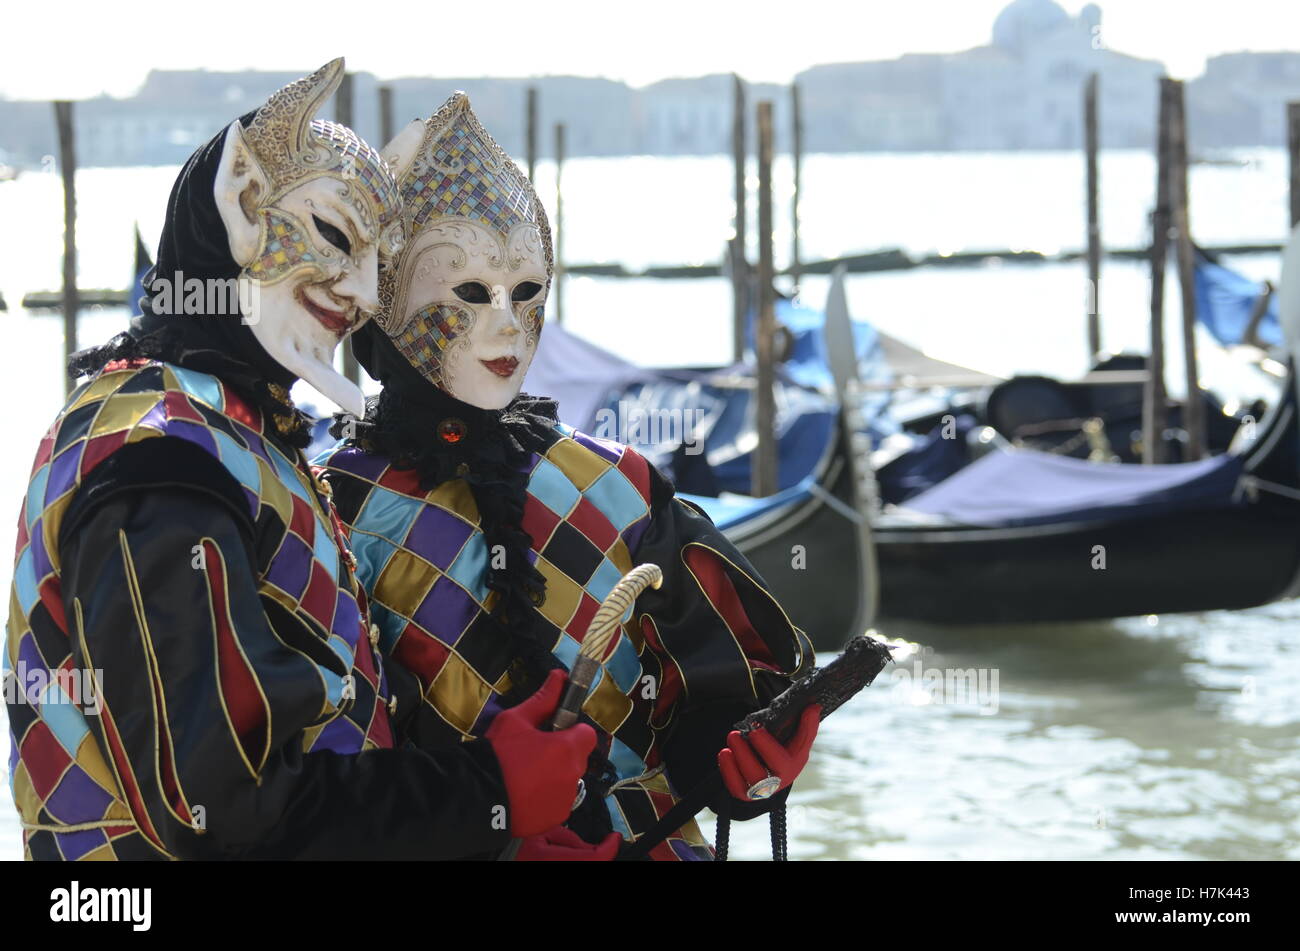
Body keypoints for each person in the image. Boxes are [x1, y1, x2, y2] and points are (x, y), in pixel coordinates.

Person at [4, 61, 593, 861]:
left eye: (376, 264)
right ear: (242, 203)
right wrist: (487, 790)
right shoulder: (157, 454)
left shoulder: (236, 433)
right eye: (334, 236)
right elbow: (220, 811)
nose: (357, 293)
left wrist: (489, 818)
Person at [315, 93, 821, 861]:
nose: (508, 326)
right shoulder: (329, 509)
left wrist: (745, 761)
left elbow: (721, 698)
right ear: (382, 303)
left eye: (526, 290)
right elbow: (317, 775)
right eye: (470, 293)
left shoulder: (621, 486)